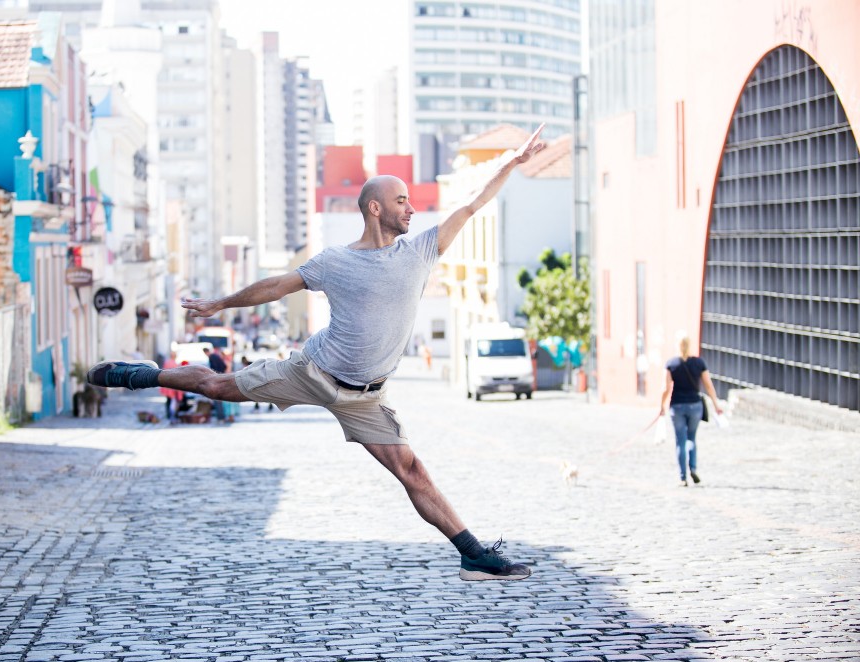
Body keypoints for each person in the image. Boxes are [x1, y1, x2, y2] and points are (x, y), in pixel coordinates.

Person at [87, 126, 547, 581]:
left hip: (367, 398)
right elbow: (276, 286)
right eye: (402, 200)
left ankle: (472, 554)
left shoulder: (420, 251)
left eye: (409, 200)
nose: (411, 208)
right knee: (215, 386)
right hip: (313, 372)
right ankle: (140, 375)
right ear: (375, 207)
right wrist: (221, 303)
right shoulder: (334, 262)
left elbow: (471, 205)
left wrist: (512, 161)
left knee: (412, 472)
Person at [659, 332, 724, 486]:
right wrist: (716, 405)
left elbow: (666, 389)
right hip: (695, 405)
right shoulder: (699, 363)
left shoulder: (671, 364)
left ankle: (682, 477)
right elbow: (708, 385)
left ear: (677, 345)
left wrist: (662, 406)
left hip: (677, 406)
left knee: (680, 441)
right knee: (691, 438)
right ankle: (693, 468)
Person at [160, 350, 184, 422]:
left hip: (167, 385)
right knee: (174, 402)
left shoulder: (167, 363)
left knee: (168, 400)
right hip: (173, 386)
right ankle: (173, 415)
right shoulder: (175, 364)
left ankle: (168, 415)